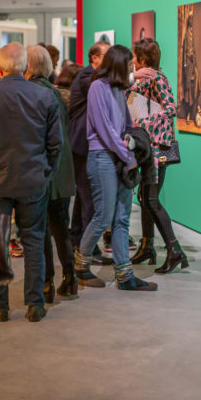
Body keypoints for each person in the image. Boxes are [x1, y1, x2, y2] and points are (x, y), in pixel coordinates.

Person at [0, 42, 60, 322]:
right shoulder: (45, 97)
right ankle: (35, 304)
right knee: (34, 242)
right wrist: (47, 173)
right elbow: (55, 144)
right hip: (33, 180)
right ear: (25, 67)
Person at [76, 44, 157, 292]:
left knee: (121, 218)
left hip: (119, 157)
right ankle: (80, 266)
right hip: (102, 157)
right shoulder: (98, 88)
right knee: (102, 218)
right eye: (129, 64)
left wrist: (131, 143)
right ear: (119, 66)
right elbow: (105, 130)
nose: (132, 67)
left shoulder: (117, 89)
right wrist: (128, 155)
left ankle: (125, 275)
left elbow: (125, 125)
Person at [128, 38, 187, 274]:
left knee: (150, 199)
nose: (133, 61)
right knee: (144, 197)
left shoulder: (158, 79)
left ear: (143, 59)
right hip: (149, 148)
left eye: (135, 57)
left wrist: (141, 121)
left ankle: (175, 251)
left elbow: (171, 108)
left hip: (158, 149)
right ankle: (147, 246)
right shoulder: (146, 78)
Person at [25, 45, 77, 302]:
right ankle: (70, 277)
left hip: (45, 169)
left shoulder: (34, 94)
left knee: (42, 229)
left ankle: (46, 284)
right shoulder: (56, 93)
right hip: (62, 169)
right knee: (60, 226)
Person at [68, 40, 110, 253]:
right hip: (81, 143)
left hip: (81, 143)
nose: (110, 61)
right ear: (94, 58)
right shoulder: (87, 77)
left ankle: (76, 238)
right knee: (88, 197)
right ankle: (88, 250)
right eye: (106, 56)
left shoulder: (89, 76)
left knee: (84, 195)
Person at [178, 9, 201, 127]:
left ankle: (196, 111)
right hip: (188, 67)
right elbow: (185, 52)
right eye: (191, 19)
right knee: (187, 90)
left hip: (194, 66)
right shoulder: (187, 34)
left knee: (196, 87)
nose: (192, 21)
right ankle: (187, 114)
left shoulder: (195, 33)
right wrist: (186, 65)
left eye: (194, 19)